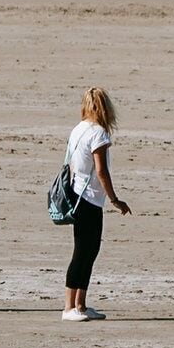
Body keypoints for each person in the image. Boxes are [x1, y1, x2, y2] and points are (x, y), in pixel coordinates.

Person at [60, 86, 129, 321]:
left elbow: (71, 166)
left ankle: (80, 305)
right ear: (104, 108)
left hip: (77, 196)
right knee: (83, 252)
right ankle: (69, 307)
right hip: (89, 199)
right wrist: (114, 199)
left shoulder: (78, 129)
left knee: (89, 251)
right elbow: (101, 171)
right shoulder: (99, 133)